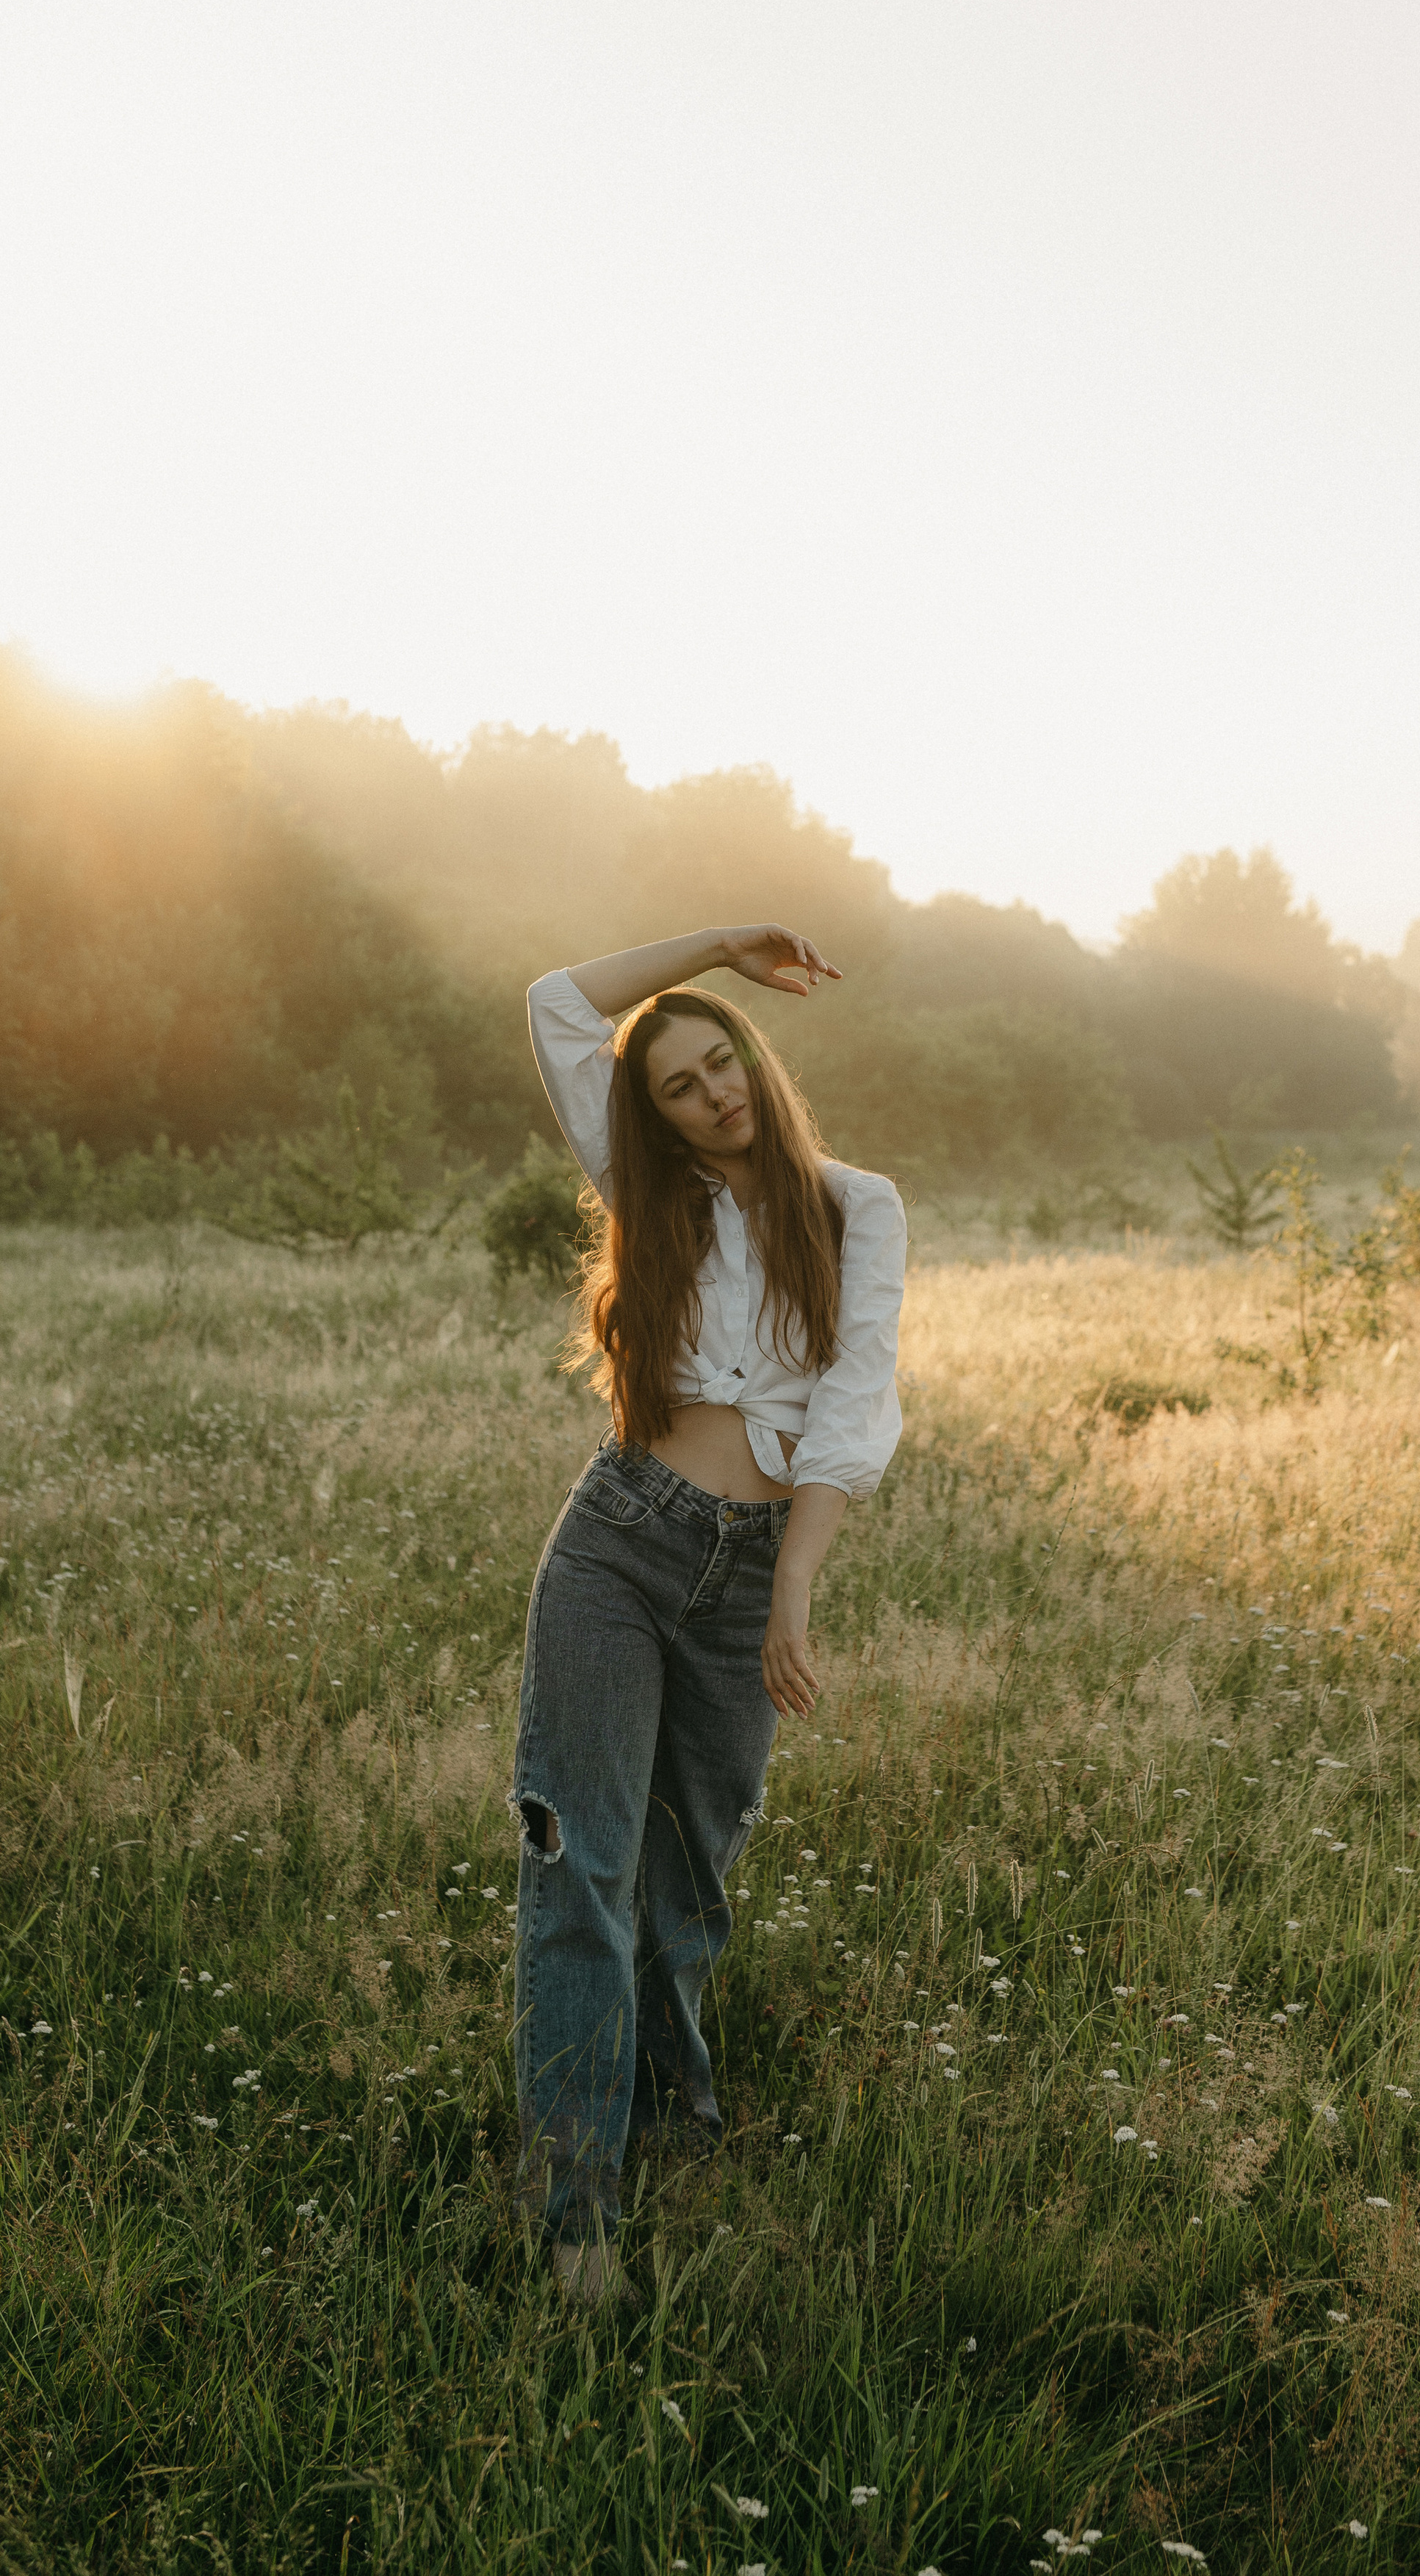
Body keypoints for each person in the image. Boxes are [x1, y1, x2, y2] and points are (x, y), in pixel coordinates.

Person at [512, 921, 906, 2302]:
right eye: (679, 1083)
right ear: (658, 1115)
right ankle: (578, 2222)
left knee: (690, 1881)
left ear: (755, 1058)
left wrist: (790, 1588)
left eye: (721, 1060)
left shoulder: (860, 1208)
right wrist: (721, 944)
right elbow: (556, 1001)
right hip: (617, 1548)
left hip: (747, 1571)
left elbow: (854, 1410)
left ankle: (677, 2115)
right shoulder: (647, 1188)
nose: (713, 1093)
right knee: (584, 1875)